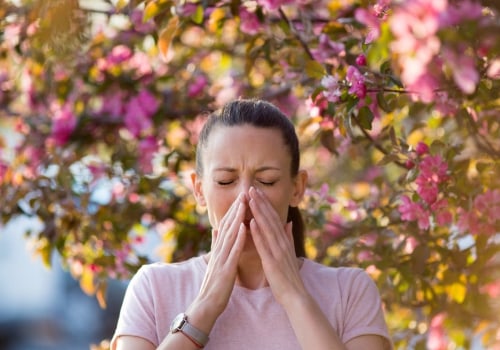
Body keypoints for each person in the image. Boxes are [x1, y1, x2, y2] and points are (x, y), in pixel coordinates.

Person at [111, 99, 392, 350]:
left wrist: (294, 296)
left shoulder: (349, 291)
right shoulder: (154, 288)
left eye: (267, 181)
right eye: (225, 181)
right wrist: (205, 306)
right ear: (198, 189)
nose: (245, 196)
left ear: (297, 188)